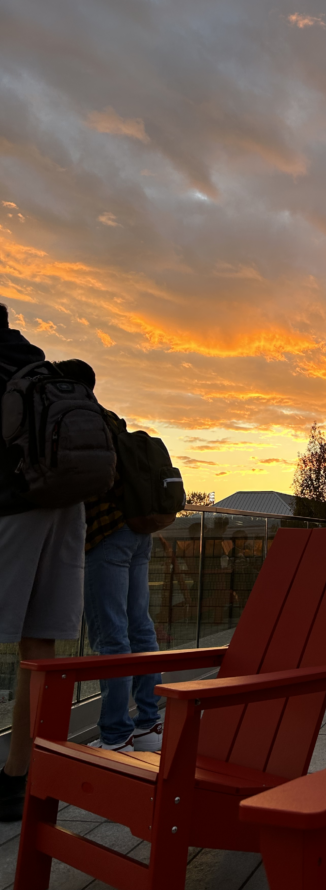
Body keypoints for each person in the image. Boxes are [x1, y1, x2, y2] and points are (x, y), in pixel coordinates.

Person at [0, 309, 87, 821]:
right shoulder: (34, 360)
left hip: (13, 504)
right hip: (64, 504)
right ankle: (23, 774)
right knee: (39, 647)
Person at [54, 359, 163, 754]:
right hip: (137, 531)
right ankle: (149, 723)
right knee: (140, 628)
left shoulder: (76, 420)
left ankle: (117, 734)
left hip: (104, 536)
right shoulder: (112, 419)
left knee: (111, 636)